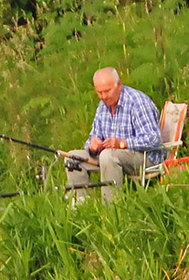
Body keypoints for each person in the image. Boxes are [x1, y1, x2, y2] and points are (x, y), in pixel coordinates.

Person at [63, 67, 164, 203]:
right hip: (110, 156)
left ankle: (111, 207)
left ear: (119, 85)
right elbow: (92, 137)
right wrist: (92, 146)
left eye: (107, 91)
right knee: (72, 158)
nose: (104, 96)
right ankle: (82, 204)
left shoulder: (138, 102)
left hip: (144, 158)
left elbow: (154, 139)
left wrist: (122, 143)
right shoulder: (102, 106)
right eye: (99, 92)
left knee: (108, 156)